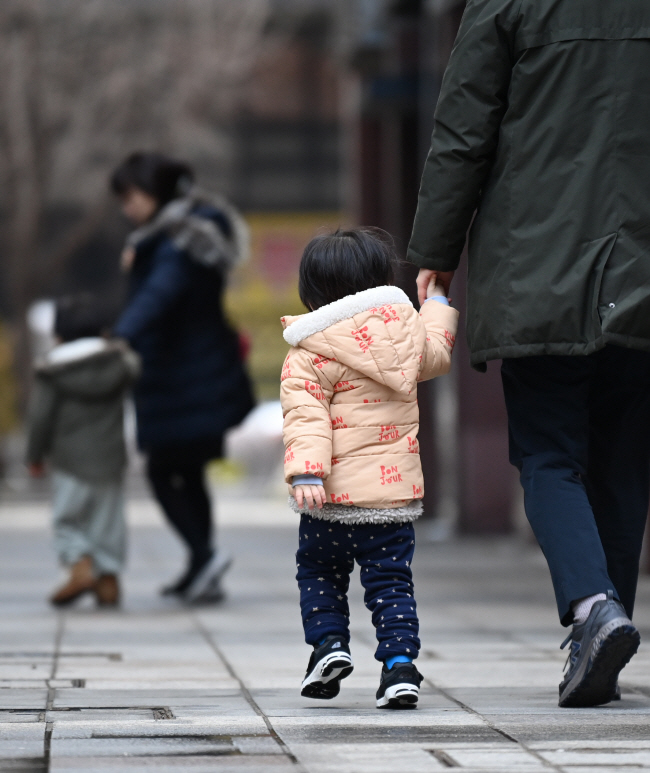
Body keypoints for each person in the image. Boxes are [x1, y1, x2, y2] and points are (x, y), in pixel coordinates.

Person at [407, 0, 650, 708]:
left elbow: (463, 131)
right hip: (639, 258)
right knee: (622, 453)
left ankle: (591, 608)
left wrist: (436, 251)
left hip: (538, 261)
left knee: (549, 453)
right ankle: (605, 621)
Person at [280, 229, 458, 708]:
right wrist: (437, 299)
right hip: (392, 499)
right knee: (391, 583)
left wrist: (308, 473)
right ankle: (399, 667)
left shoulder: (308, 349)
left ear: (312, 290)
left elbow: (305, 418)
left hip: (330, 502)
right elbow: (439, 351)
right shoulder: (406, 331)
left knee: (318, 572)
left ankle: (329, 646)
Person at [110, 152, 254, 603]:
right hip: (195, 372)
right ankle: (200, 565)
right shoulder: (180, 233)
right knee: (187, 471)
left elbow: (160, 294)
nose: (126, 208)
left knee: (162, 470)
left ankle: (203, 555)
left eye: (130, 197)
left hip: (185, 375)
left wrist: (121, 334)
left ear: (154, 193)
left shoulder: (177, 241)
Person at [26, 294, 140, 607]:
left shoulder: (52, 371)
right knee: (108, 520)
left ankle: (80, 566)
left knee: (67, 518)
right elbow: (136, 369)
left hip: (68, 458)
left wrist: (34, 455)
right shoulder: (120, 363)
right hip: (110, 456)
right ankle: (108, 582)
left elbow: (40, 417)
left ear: (58, 334)